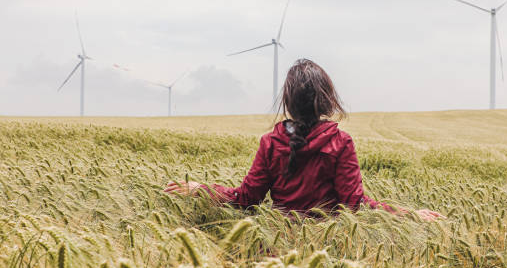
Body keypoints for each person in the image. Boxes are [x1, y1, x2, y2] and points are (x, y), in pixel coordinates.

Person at [164, 59, 444, 221]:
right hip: (328, 251)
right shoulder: (340, 142)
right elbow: (355, 204)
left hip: (276, 247)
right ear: (326, 99)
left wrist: (202, 188)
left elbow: (246, 199)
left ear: (288, 100)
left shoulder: (270, 143)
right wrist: (408, 215)